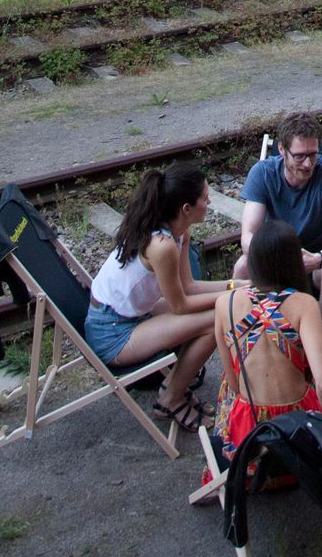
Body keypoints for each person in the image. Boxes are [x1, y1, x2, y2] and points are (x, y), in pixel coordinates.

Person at [84, 161, 225, 432]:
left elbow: (189, 285)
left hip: (133, 314)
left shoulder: (178, 229)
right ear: (186, 208)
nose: (209, 202)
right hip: (113, 333)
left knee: (217, 309)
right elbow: (181, 305)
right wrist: (231, 295)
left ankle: (174, 386)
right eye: (205, 198)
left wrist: (238, 284)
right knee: (217, 317)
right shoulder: (161, 246)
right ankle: (171, 398)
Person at [213, 219, 322, 468]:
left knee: (228, 387)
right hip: (296, 438)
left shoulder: (224, 303)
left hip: (248, 442)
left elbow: (233, 384)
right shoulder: (304, 304)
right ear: (294, 262)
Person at [238, 112, 322, 349]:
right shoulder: (263, 173)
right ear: (282, 149)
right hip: (276, 256)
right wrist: (278, 258)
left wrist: (319, 258)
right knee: (242, 266)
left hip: (317, 259)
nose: (308, 164)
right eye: (300, 156)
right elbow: (248, 236)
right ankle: (247, 350)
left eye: (313, 154)